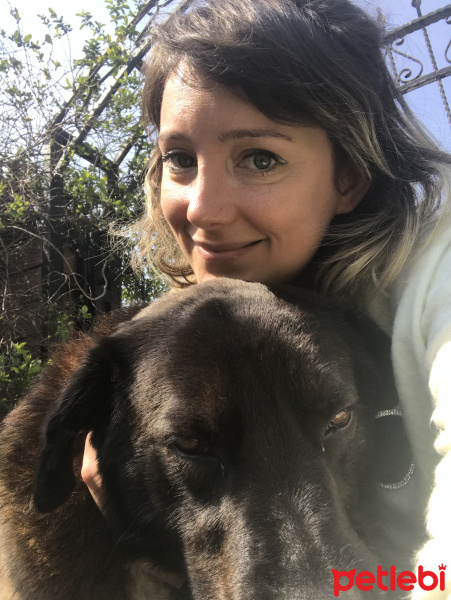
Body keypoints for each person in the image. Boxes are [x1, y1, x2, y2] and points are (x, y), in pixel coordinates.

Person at [82, 0, 451, 596]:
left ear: (349, 176)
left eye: (260, 159)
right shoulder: (223, 317)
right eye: (179, 158)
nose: (201, 208)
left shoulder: (440, 272)